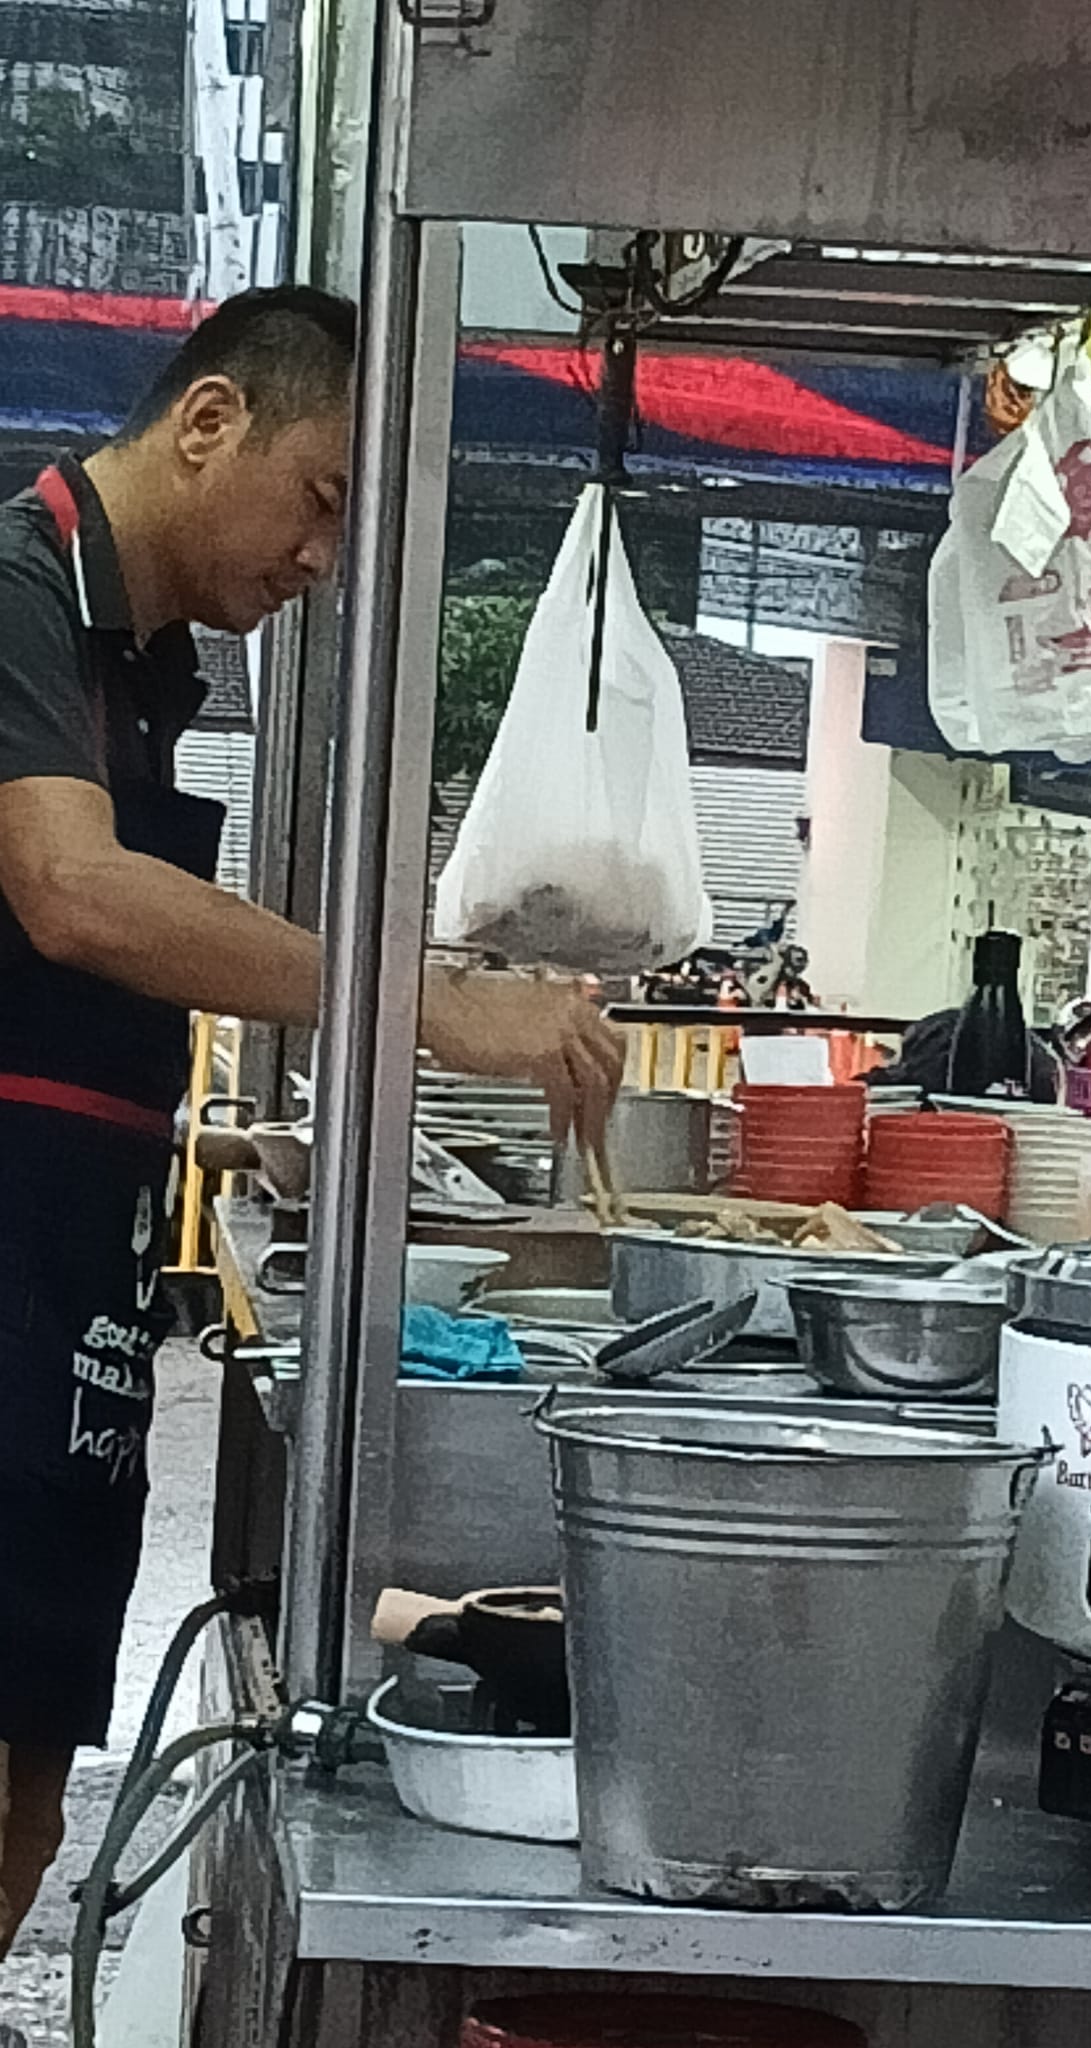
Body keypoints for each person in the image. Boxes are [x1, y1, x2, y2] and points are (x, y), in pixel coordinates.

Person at [0, 286, 623, 1956]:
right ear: (207, 422)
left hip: (71, 1266)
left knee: (22, 1791)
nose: (321, 557)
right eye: (326, 496)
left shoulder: (147, 660)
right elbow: (69, 896)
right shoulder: (13, 589)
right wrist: (420, 1002)